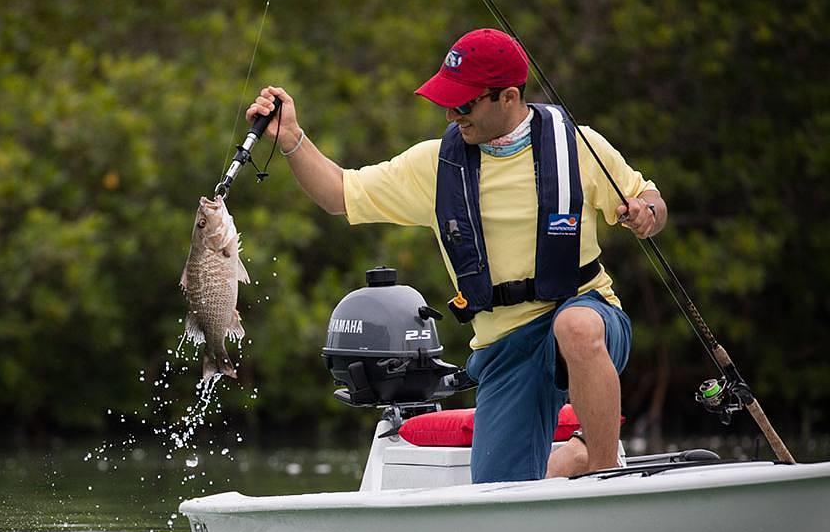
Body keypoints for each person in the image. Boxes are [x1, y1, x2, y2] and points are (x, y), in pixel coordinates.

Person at [246, 28, 667, 483]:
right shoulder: (433, 165)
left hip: (588, 314)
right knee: (500, 494)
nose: (451, 114)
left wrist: (646, 213)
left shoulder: (579, 146)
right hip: (506, 346)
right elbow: (337, 194)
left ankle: (604, 474)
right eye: (447, 102)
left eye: (463, 104)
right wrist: (291, 138)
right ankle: (573, 460)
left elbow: (650, 199)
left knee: (576, 326)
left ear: (508, 97)